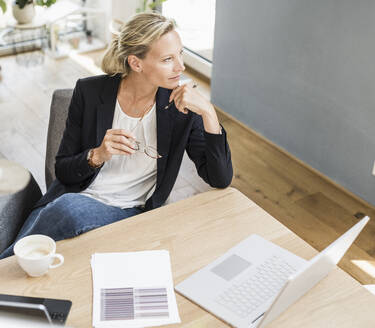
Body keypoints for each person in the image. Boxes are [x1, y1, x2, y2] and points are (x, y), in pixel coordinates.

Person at [0, 13, 232, 259]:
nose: (181, 67)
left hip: (125, 211)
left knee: (66, 214)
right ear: (136, 63)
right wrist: (97, 155)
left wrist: (208, 112)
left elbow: (219, 178)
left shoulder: (182, 106)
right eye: (168, 59)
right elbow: (63, 171)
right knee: (32, 244)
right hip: (69, 199)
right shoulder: (89, 92)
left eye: (180, 54)